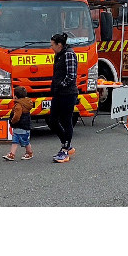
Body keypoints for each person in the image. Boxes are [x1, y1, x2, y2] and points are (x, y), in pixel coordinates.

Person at [45, 30, 79, 163]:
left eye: (52, 45)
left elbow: (72, 75)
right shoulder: (58, 55)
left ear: (59, 45)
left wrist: (61, 85)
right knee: (52, 120)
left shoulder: (69, 55)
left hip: (68, 93)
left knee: (66, 120)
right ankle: (66, 144)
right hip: (58, 93)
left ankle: (65, 150)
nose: (51, 47)